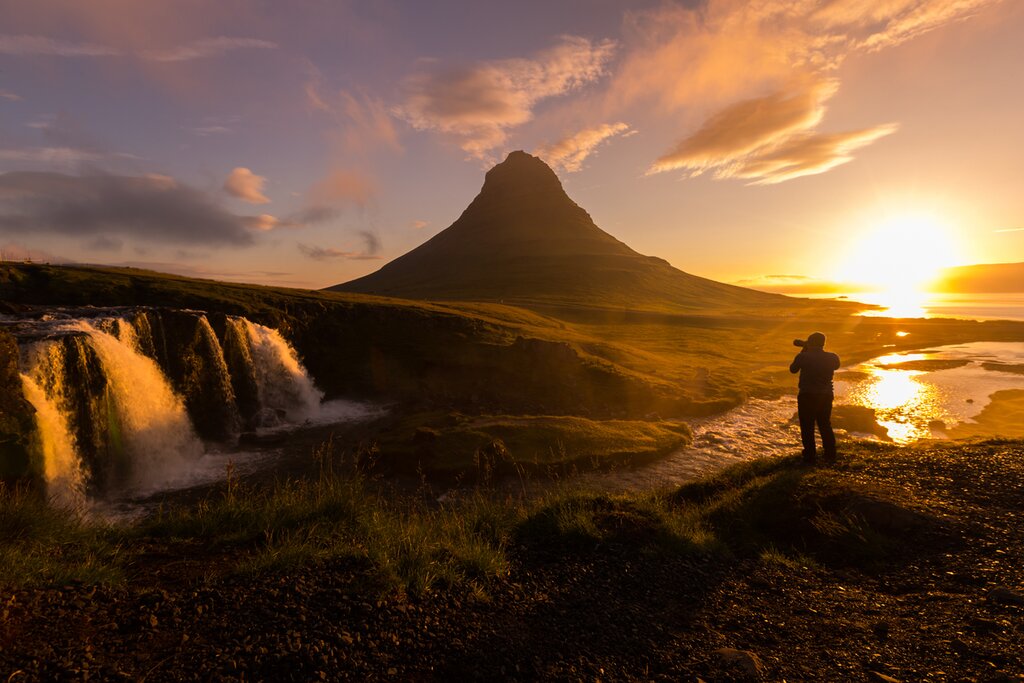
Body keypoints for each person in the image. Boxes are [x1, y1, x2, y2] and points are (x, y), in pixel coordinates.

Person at [789, 332, 840, 464]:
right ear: (823, 343)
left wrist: (804, 350)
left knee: (807, 426)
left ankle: (810, 456)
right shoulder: (833, 357)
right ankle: (830, 454)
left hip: (807, 395)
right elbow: (836, 366)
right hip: (826, 395)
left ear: (810, 343)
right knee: (824, 424)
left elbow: (793, 369)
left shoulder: (803, 356)